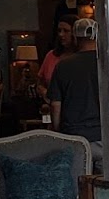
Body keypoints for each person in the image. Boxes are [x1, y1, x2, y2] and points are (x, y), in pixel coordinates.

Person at [47, 18, 102, 154]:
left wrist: (58, 131)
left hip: (74, 137)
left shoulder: (63, 66)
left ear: (75, 38)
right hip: (103, 134)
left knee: (78, 168)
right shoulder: (107, 64)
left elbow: (55, 105)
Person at [38, 15, 74, 92]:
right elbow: (40, 83)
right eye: (59, 31)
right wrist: (45, 93)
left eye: (66, 31)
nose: (61, 34)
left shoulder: (81, 56)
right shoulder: (51, 55)